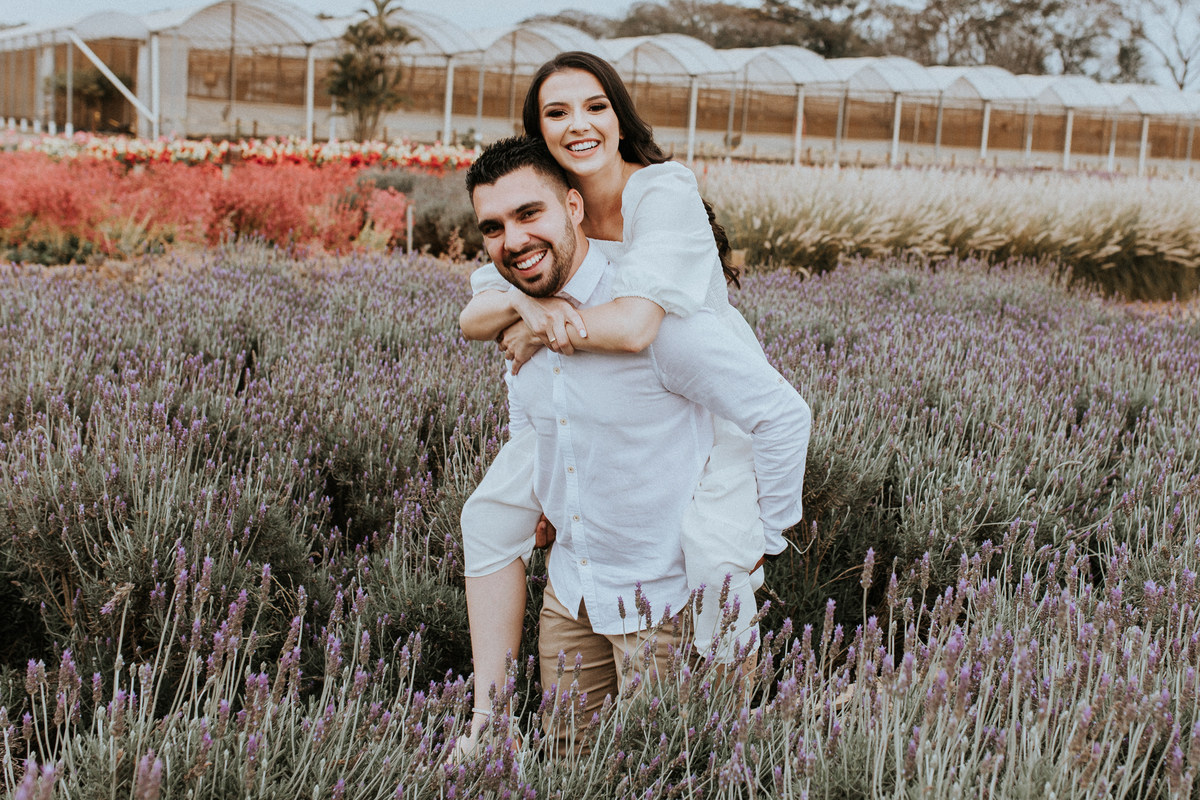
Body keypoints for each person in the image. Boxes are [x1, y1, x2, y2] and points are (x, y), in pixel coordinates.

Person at [455, 52, 785, 756]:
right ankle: (488, 721)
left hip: (700, 400)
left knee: (714, 556)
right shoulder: (539, 217)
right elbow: (478, 317)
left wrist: (543, 326)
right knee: (486, 519)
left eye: (595, 106)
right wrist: (526, 308)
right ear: (539, 133)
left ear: (619, 115)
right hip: (587, 501)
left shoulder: (660, 193)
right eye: (557, 113)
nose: (578, 124)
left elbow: (636, 327)